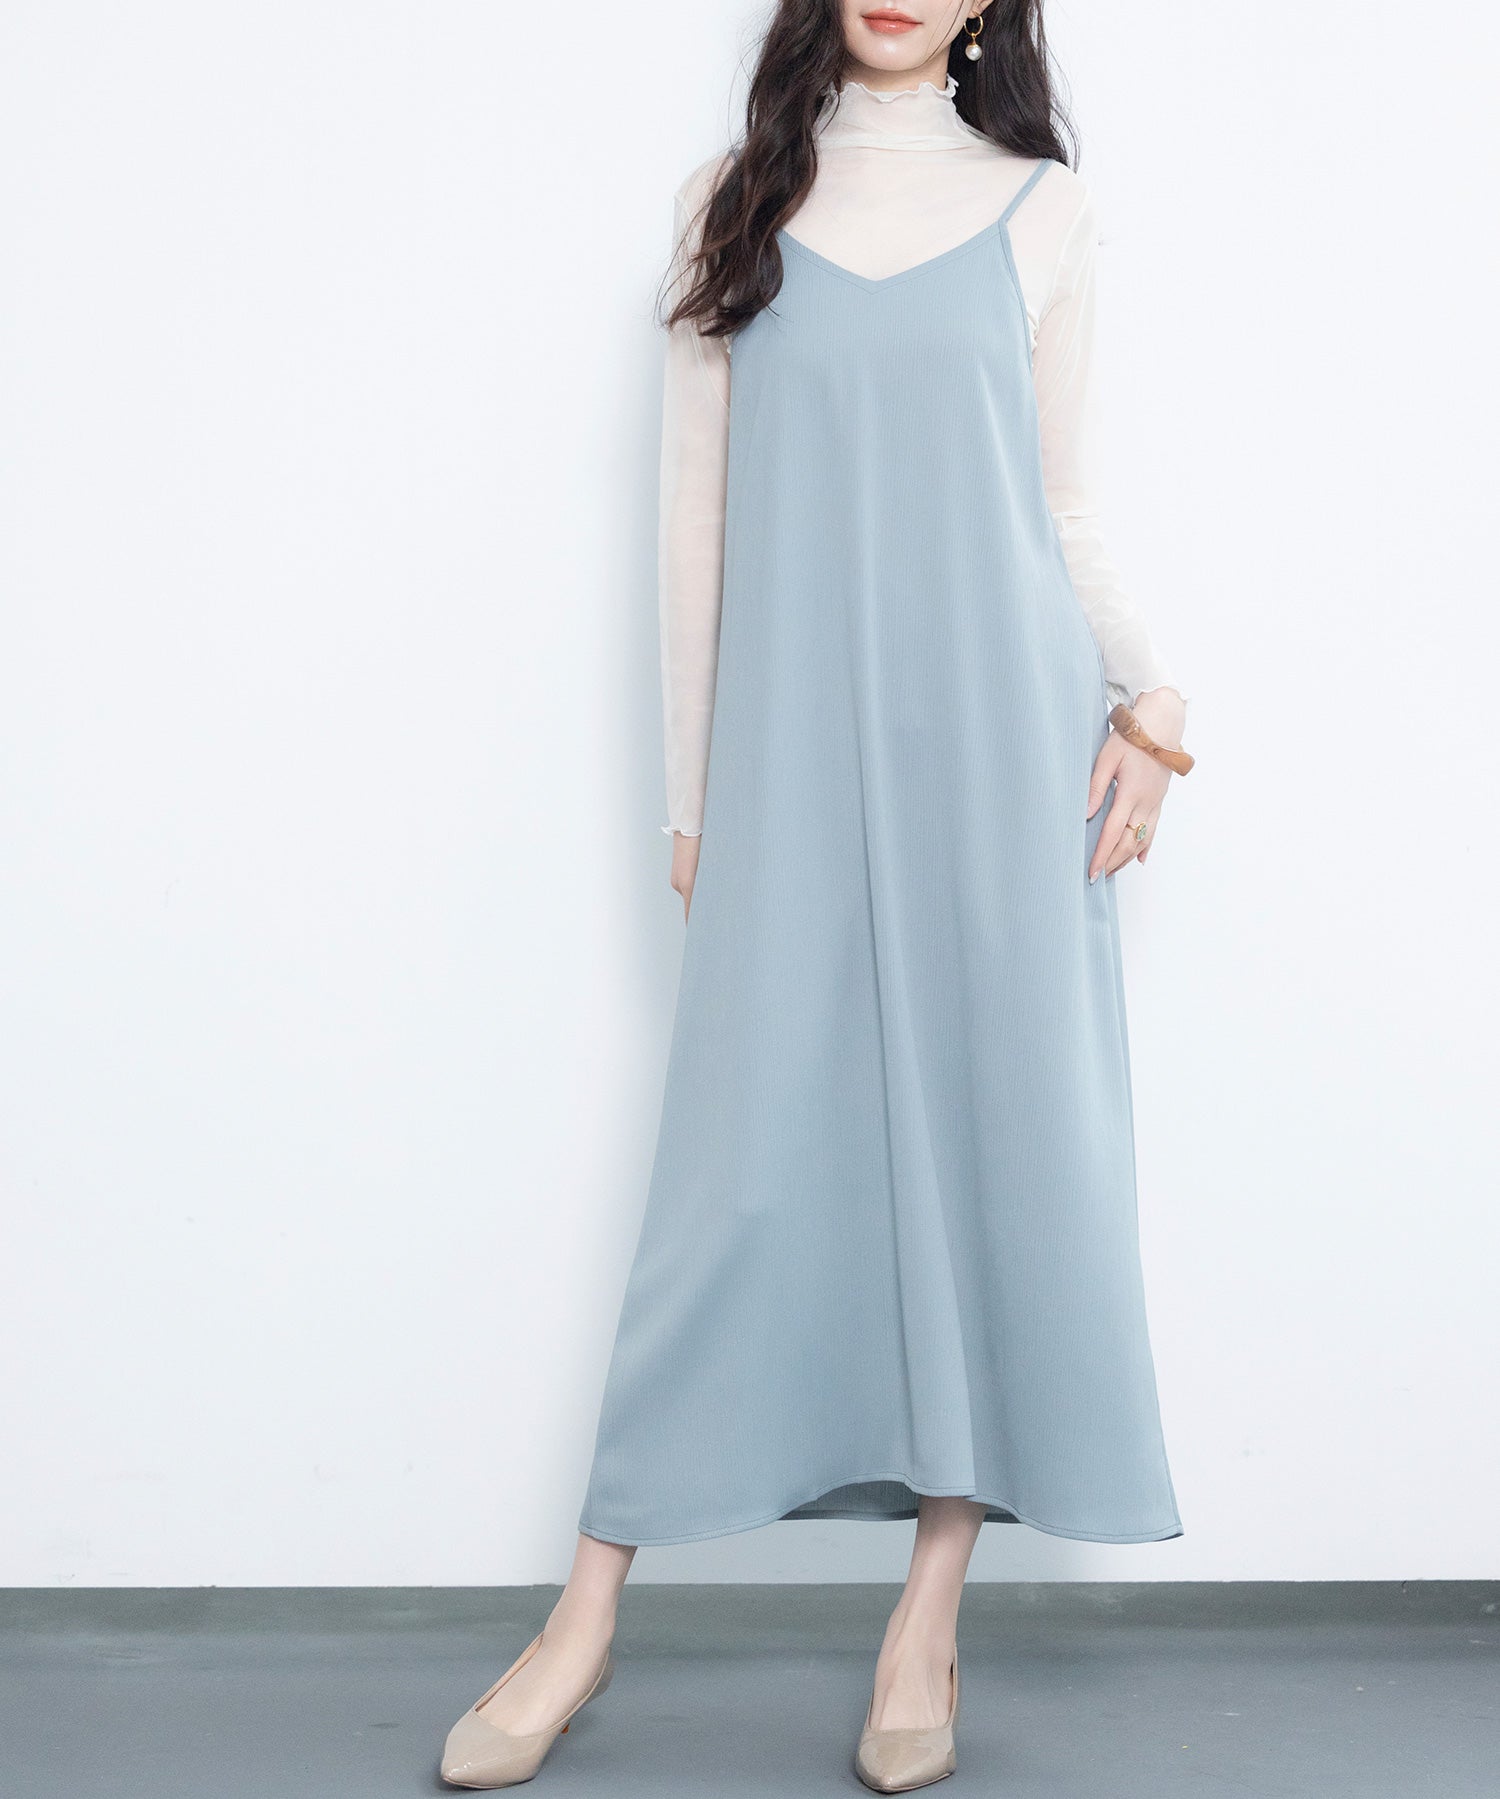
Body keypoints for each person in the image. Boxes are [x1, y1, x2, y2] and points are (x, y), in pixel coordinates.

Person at [441, 1, 1192, 1789]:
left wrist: (1152, 701)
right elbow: (692, 521)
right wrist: (696, 799)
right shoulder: (736, 199)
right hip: (788, 752)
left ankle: (927, 1616)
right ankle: (582, 1617)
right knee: (738, 1175)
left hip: (1001, 745)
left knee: (993, 1153)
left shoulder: (1045, 208)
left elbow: (1060, 500)